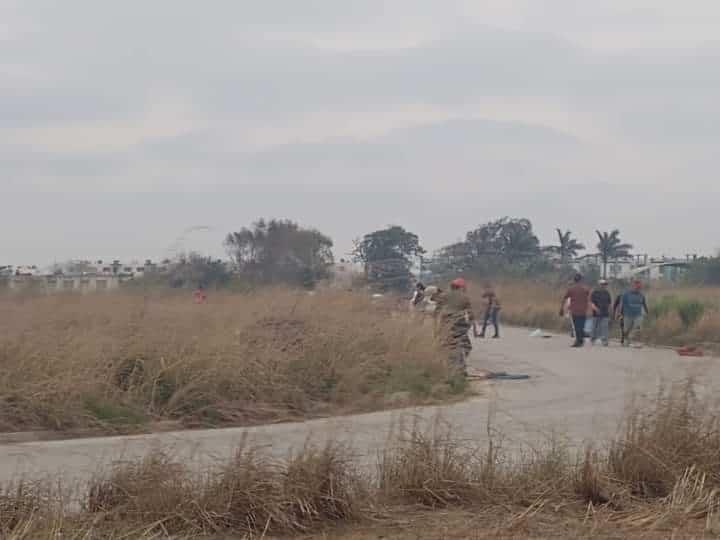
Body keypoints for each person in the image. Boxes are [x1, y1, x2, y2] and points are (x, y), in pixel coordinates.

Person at [436, 278, 475, 376]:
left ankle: (451, 367)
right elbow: (470, 314)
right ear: (461, 287)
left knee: (448, 345)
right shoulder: (464, 297)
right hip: (459, 323)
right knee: (465, 346)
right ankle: (459, 368)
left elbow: (437, 310)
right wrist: (470, 324)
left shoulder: (443, 295)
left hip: (445, 323)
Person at [560, 273, 591, 347]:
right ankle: (580, 340)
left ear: (574, 280)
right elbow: (589, 300)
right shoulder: (586, 289)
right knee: (581, 326)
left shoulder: (571, 289)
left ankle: (579, 341)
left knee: (577, 327)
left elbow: (564, 298)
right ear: (581, 280)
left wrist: (561, 309)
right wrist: (590, 310)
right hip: (583, 311)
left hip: (574, 311)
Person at [618, 279, 649, 347]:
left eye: (639, 287)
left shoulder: (641, 295)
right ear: (633, 286)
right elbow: (621, 304)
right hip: (628, 314)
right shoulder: (626, 294)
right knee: (626, 329)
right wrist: (620, 313)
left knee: (638, 327)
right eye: (637, 287)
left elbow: (644, 303)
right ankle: (627, 341)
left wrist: (647, 311)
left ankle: (630, 338)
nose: (638, 288)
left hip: (638, 314)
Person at [590, 279, 612, 346]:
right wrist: (596, 309)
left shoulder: (607, 293)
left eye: (605, 284)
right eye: (602, 284)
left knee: (605, 327)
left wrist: (610, 310)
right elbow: (592, 303)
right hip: (596, 314)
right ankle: (593, 339)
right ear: (599, 285)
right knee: (595, 327)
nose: (603, 286)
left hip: (605, 313)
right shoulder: (594, 293)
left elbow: (609, 303)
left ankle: (604, 341)